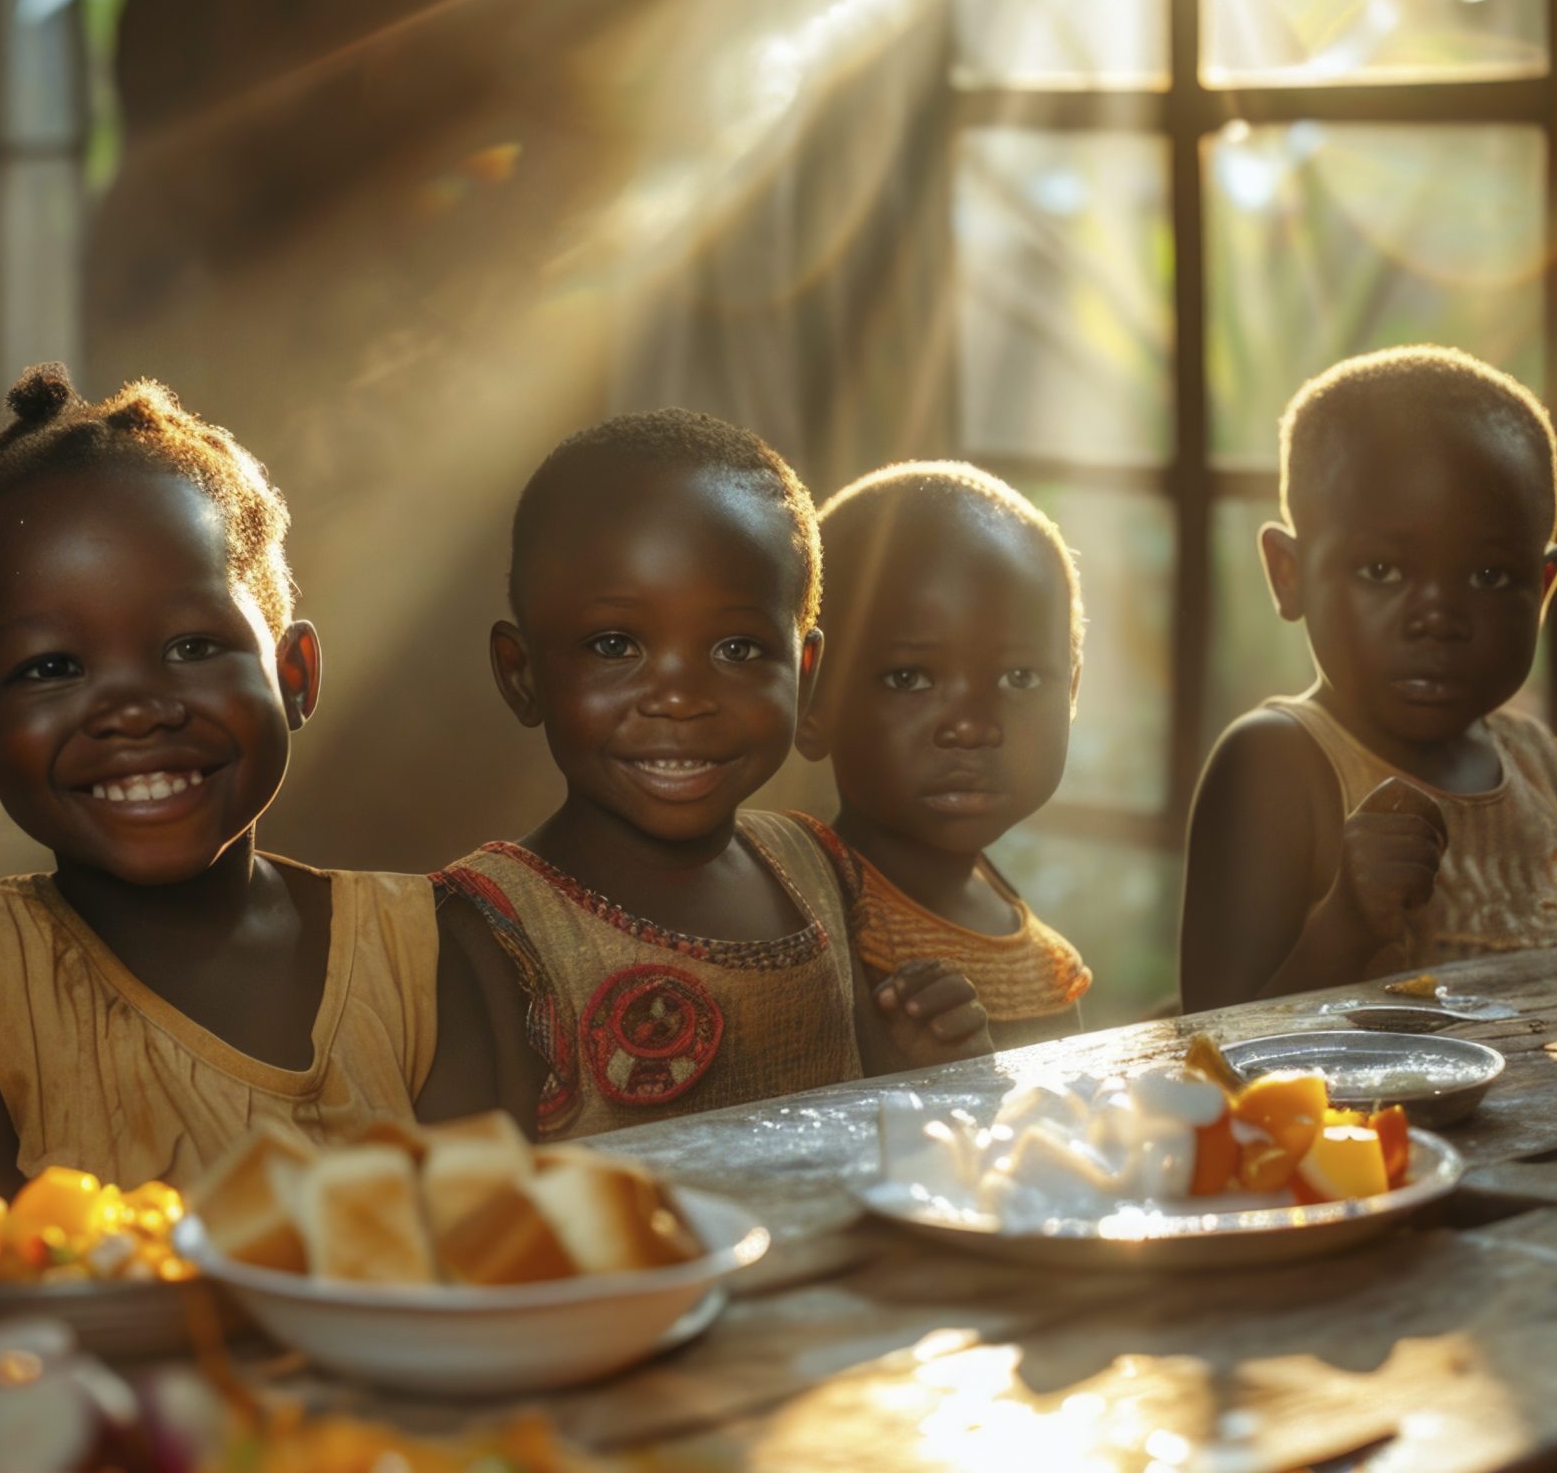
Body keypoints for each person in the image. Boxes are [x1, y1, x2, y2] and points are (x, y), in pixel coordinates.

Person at [0, 367, 446, 1195]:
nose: (134, 710)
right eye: (52, 666)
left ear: (295, 675)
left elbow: (501, 1246)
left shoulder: (420, 952)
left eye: (191, 647)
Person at [432, 410, 993, 1140]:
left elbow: (859, 1109)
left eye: (737, 648)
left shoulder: (815, 867)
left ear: (807, 672)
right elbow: (471, 1204)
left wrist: (921, 1070)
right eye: (614, 644)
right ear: (523, 673)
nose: (680, 697)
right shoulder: (485, 927)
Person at [1179, 347, 1557, 1011]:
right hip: (1350, 1119)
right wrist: (1348, 922)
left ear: (1542, 588)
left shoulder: (1539, 767)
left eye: (1487, 576)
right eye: (1381, 571)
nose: (1437, 618)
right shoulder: (1275, 763)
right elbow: (1212, 1040)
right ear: (1290, 573)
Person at [792, 462, 1093, 1048]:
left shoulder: (1047, 962)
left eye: (1020, 677)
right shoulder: (796, 919)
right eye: (909, 678)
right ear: (811, 701)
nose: (971, 726)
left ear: (1073, 691)